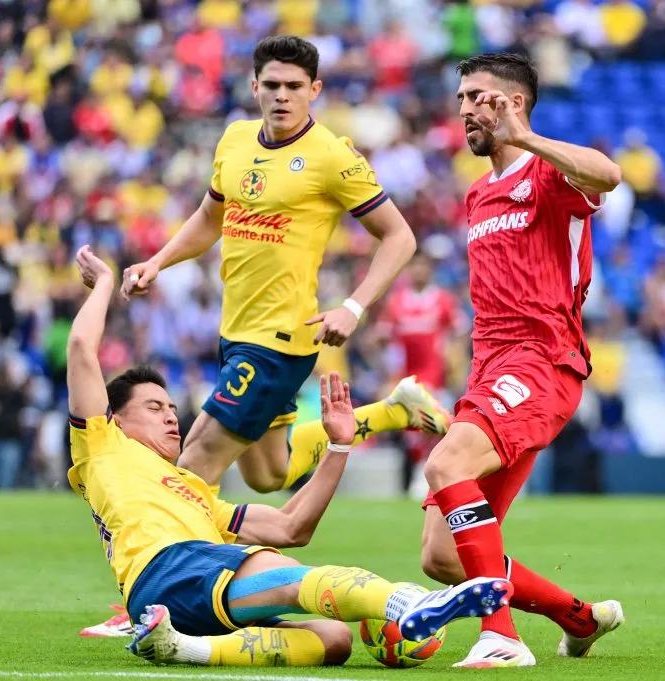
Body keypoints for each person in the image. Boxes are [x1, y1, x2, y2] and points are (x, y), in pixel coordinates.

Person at [67, 245, 511, 667]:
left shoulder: (194, 490)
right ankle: (407, 602)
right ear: (115, 420)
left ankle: (184, 647)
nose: (170, 416)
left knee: (333, 639)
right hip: (171, 567)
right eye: (153, 408)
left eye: (170, 407)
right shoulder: (103, 446)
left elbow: (291, 526)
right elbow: (82, 350)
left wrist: (339, 446)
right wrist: (104, 282)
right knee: (287, 572)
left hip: (185, 594)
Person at [120, 36, 447, 498]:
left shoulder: (332, 155)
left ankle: (160, 547)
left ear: (314, 90)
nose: (282, 96)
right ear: (254, 86)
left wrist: (353, 307)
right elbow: (210, 218)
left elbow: (400, 237)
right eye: (272, 85)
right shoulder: (235, 139)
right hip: (235, 331)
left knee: (195, 461)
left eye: (294, 86)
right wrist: (158, 262)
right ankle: (392, 412)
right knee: (268, 474)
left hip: (280, 340)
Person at [418, 53, 625, 667]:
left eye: (477, 97)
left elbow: (609, 174)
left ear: (513, 103)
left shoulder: (549, 173)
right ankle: (580, 618)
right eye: (460, 97)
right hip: (490, 370)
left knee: (445, 462)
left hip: (541, 363)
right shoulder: (477, 194)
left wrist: (528, 138)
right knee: (442, 556)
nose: (464, 109)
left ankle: (502, 637)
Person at [378, 251, 466, 494]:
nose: (418, 270)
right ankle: (421, 471)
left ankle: (425, 473)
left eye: (423, 266)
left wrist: (454, 365)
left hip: (434, 373)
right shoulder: (396, 302)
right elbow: (383, 337)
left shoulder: (443, 300)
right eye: (414, 266)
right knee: (412, 427)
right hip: (405, 375)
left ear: (430, 269)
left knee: (431, 422)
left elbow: (460, 332)